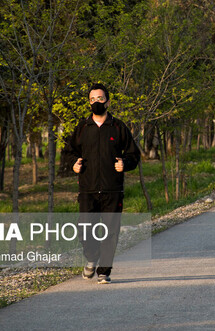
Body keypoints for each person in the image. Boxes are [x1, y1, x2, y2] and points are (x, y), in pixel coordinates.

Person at [63, 83, 140, 284]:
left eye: (100, 98)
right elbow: (68, 152)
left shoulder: (118, 127)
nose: (96, 102)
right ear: (89, 102)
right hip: (87, 189)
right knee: (85, 229)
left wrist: (125, 164)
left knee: (110, 231)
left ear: (108, 101)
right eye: (93, 99)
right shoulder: (82, 128)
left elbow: (134, 154)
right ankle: (91, 258)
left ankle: (104, 271)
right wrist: (73, 164)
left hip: (112, 189)